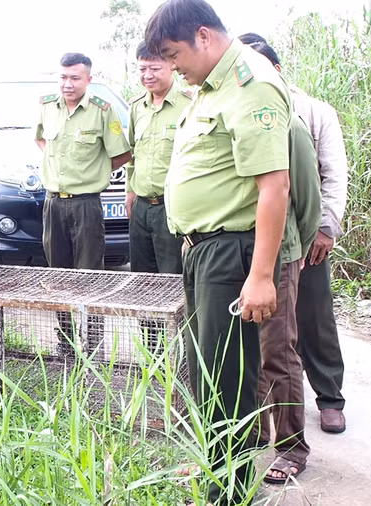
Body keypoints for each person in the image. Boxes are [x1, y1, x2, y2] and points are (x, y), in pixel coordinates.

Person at [144, 1, 292, 502]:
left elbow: (274, 185)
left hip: (230, 254)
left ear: (203, 37)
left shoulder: (251, 83)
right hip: (201, 251)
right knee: (206, 375)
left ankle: (226, 494)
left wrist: (261, 276)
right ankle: (215, 476)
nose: (172, 65)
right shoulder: (209, 87)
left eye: (173, 53)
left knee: (226, 384)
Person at [239, 33, 350, 436]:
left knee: (315, 320)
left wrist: (324, 230)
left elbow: (332, 174)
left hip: (309, 233)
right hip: (267, 238)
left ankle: (330, 398)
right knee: (271, 333)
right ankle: (268, 413)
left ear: (277, 68)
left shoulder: (313, 111)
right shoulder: (240, 107)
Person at [238, 34, 323, 484]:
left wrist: (292, 251)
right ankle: (252, 433)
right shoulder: (237, 115)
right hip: (238, 254)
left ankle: (291, 447)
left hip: (280, 256)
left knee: (278, 352)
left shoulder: (289, 124)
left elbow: (307, 199)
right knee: (246, 352)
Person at [34, 53, 131, 357]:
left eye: (75, 78)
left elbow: (121, 153)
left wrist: (95, 172)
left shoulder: (103, 111)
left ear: (88, 79)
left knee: (92, 276)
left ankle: (95, 347)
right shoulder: (48, 106)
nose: (68, 84)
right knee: (57, 276)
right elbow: (40, 139)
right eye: (63, 77)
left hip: (87, 205)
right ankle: (65, 343)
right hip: (53, 204)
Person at [126, 41, 192, 275]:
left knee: (172, 276)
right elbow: (133, 153)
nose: (147, 75)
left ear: (171, 66)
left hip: (172, 207)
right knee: (141, 277)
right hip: (141, 207)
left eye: (154, 68)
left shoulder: (190, 103)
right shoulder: (136, 107)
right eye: (142, 69)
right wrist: (130, 193)